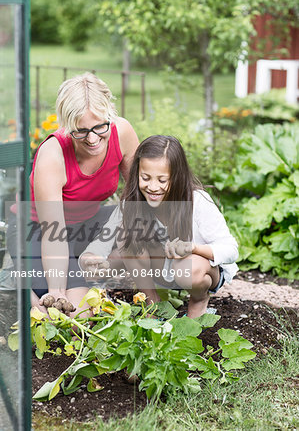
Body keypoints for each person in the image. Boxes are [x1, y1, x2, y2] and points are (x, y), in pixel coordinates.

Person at [7, 72, 139, 315]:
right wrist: (57, 291)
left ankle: (83, 276)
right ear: (67, 124)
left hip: (86, 224)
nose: (92, 139)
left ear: (110, 112)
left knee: (138, 222)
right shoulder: (52, 155)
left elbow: (135, 197)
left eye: (100, 127)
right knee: (70, 312)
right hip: (36, 231)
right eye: (80, 130)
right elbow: (52, 232)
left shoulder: (123, 133)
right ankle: (24, 284)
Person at [79, 135, 238, 318]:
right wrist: (90, 257)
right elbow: (102, 242)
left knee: (188, 266)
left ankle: (199, 301)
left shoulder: (197, 201)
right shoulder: (133, 203)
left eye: (162, 180)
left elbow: (231, 249)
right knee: (125, 237)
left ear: (178, 177)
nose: (153, 187)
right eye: (146, 178)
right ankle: (152, 304)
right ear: (137, 174)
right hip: (161, 269)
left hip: (197, 271)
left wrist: (194, 248)